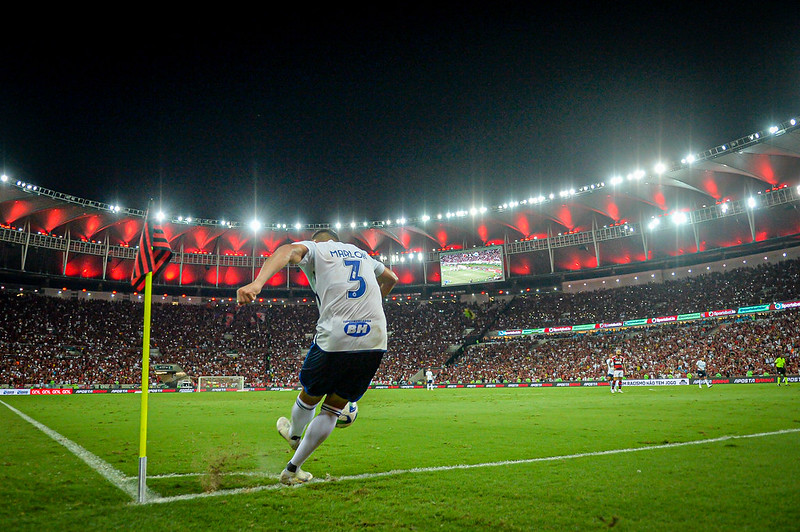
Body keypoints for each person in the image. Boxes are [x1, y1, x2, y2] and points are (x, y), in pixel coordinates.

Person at [236, 228, 398, 485]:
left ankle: (294, 435)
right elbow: (391, 278)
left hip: (337, 334)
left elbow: (286, 251)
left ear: (315, 241)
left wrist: (257, 284)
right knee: (333, 410)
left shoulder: (318, 249)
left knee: (310, 395)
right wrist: (374, 304)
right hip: (376, 337)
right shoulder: (361, 253)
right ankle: (291, 470)